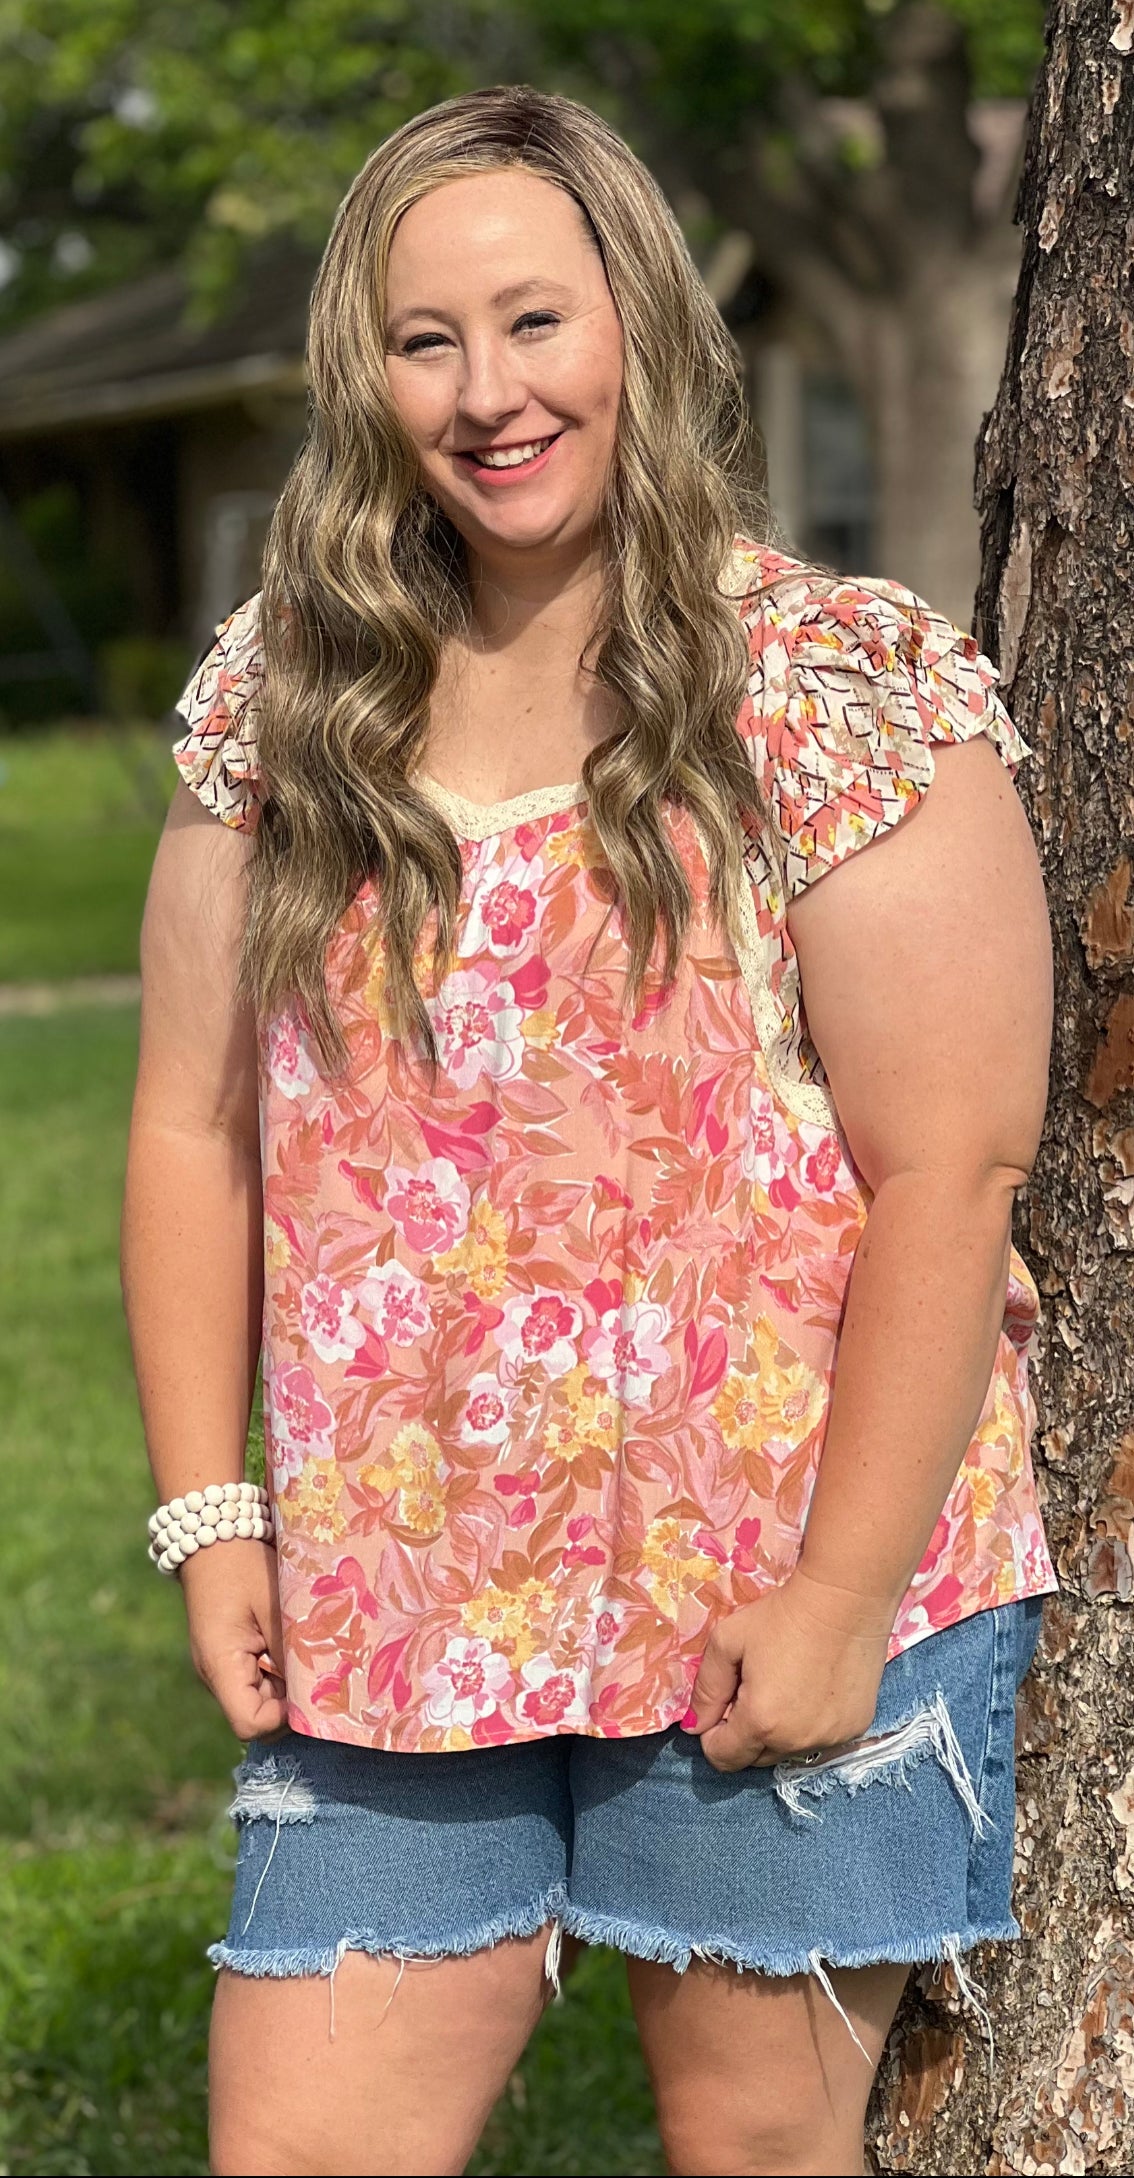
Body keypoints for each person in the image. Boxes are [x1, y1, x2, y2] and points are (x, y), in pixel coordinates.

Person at [121, 83, 1057, 2178]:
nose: (485, 393)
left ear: (637, 319)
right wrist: (213, 1514)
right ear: (362, 373)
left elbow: (953, 1172)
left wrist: (834, 1593)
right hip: (392, 1591)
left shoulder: (834, 682)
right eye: (422, 337)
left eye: (535, 323)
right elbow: (191, 1131)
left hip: (775, 1574)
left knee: (753, 2151)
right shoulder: (288, 701)